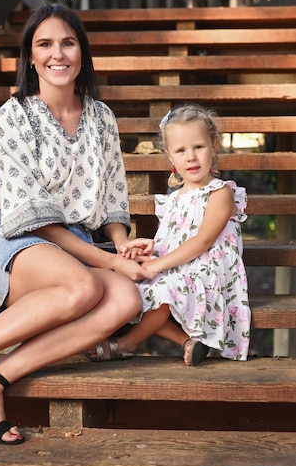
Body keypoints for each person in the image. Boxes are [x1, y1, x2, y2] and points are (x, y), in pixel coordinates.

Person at [0, 3, 154, 445]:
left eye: (68, 43)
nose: (58, 54)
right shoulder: (12, 118)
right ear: (31, 57)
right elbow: (34, 219)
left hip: (80, 246)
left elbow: (114, 199)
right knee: (86, 288)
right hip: (21, 240)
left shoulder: (102, 117)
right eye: (45, 44)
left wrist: (124, 244)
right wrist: (109, 263)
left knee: (125, 300)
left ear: (82, 52)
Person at [87, 103, 251, 366]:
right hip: (179, 265)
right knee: (132, 287)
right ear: (170, 156)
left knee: (162, 288)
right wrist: (148, 250)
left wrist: (156, 265)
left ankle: (126, 344)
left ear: (214, 146)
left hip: (209, 268)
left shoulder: (221, 193)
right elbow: (176, 238)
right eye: (181, 150)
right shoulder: (173, 199)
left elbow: (203, 240)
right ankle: (187, 342)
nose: (191, 157)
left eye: (199, 147)